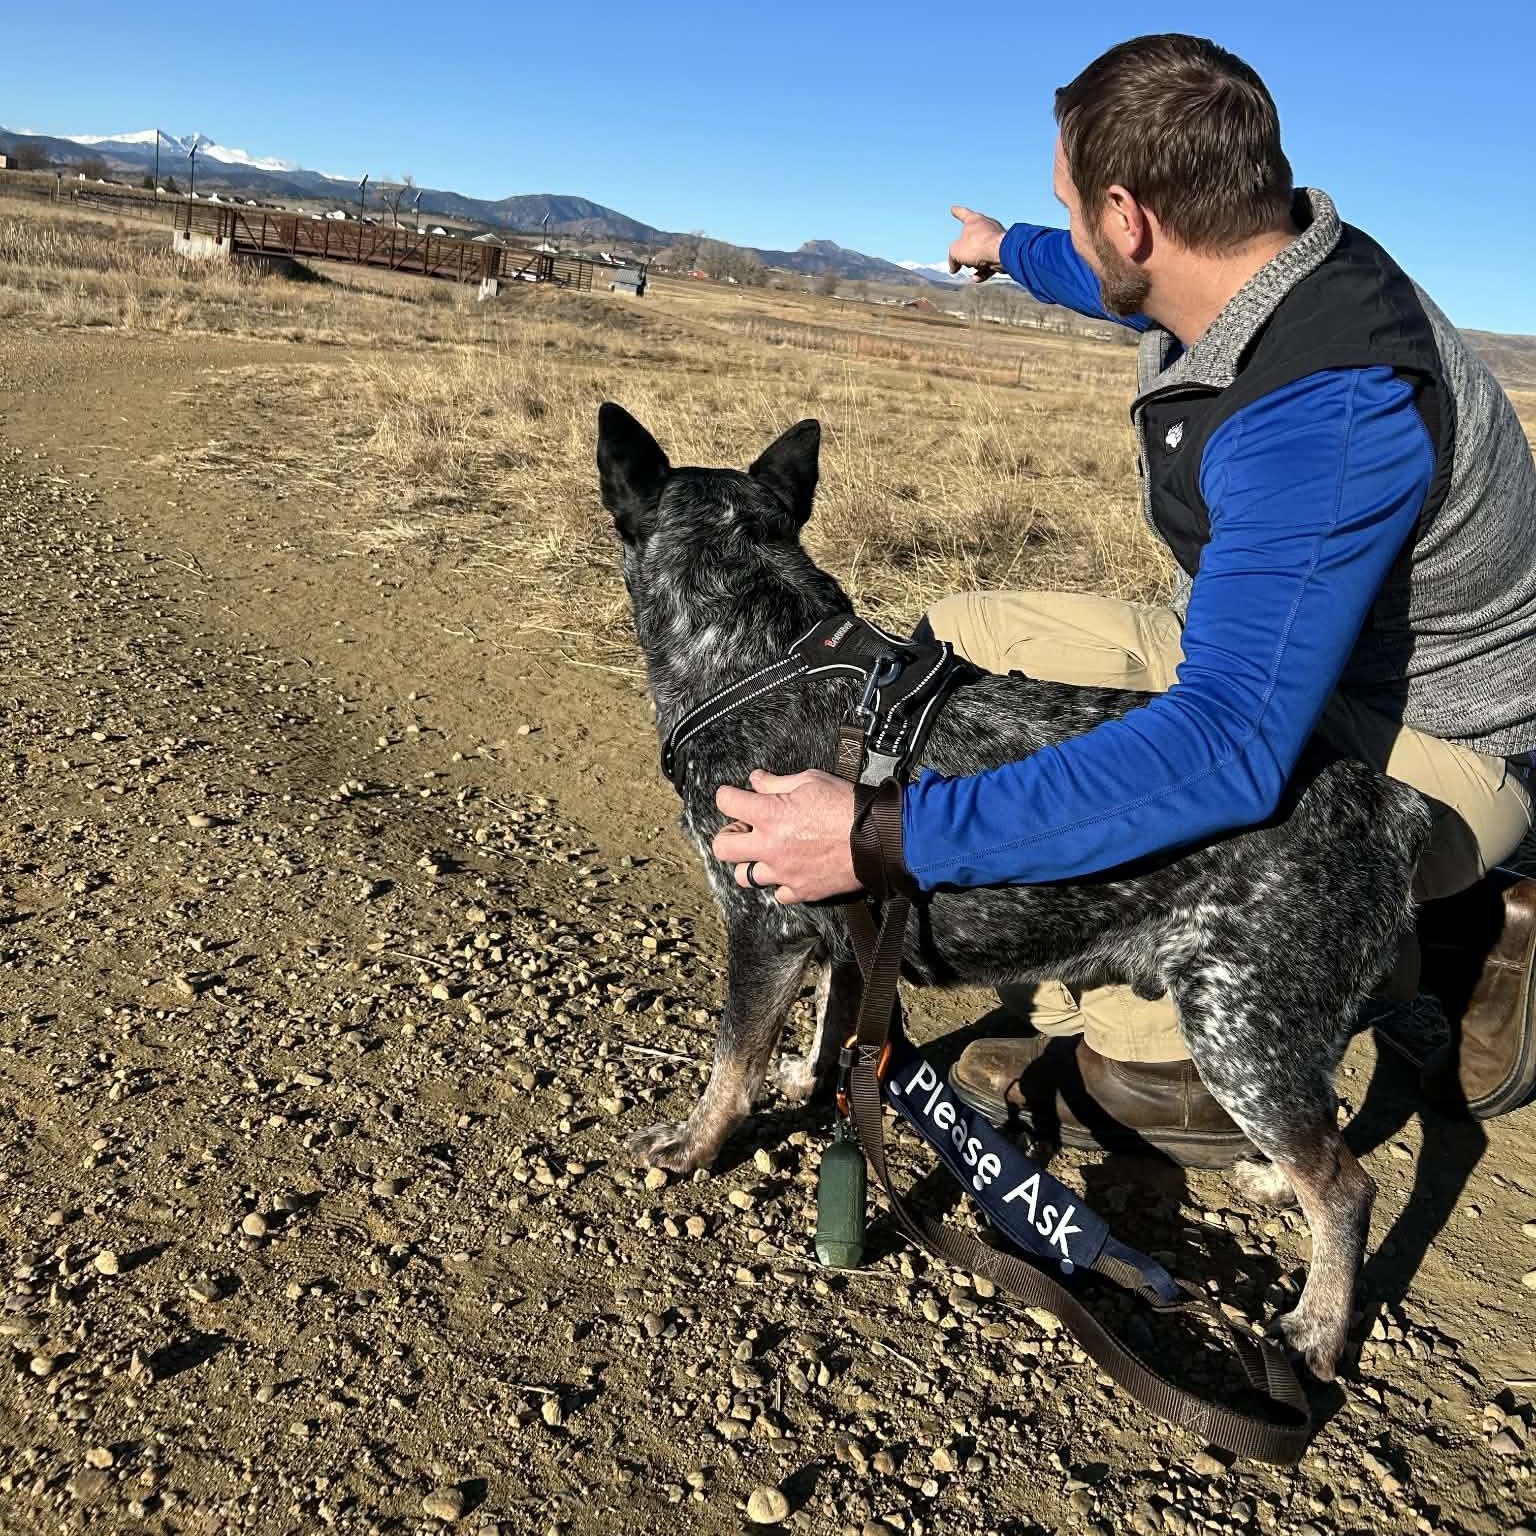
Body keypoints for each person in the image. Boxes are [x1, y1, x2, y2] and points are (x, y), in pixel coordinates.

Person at [711, 32, 1536, 1164]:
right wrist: (1006, 247)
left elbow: (1229, 748)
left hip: (1441, 740)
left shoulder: (1328, 416)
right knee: (952, 642)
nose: (1071, 229)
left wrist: (885, 833)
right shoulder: (1263, 263)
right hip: (1291, 657)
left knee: (1149, 964)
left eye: (1069, 204)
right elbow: (1102, 276)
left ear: (1131, 215)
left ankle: (1360, 961)